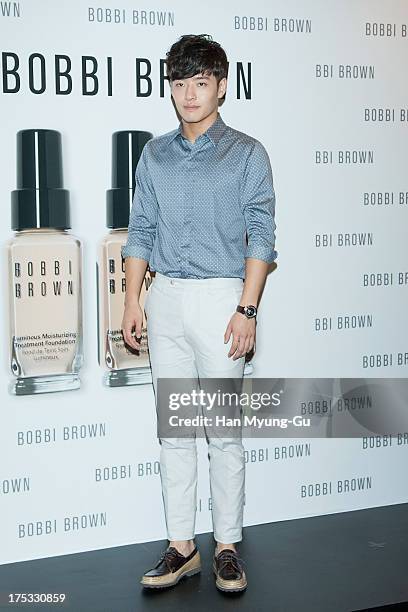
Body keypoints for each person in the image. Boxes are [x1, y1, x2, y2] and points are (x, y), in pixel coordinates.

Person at [121, 33, 277, 593]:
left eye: (200, 83)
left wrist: (247, 308)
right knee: (175, 432)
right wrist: (132, 298)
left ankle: (228, 546)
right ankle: (182, 545)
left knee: (224, 433)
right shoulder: (155, 153)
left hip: (221, 300)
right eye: (179, 83)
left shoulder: (247, 153)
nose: (189, 94)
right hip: (165, 300)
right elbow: (140, 231)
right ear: (171, 87)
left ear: (221, 86)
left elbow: (262, 235)